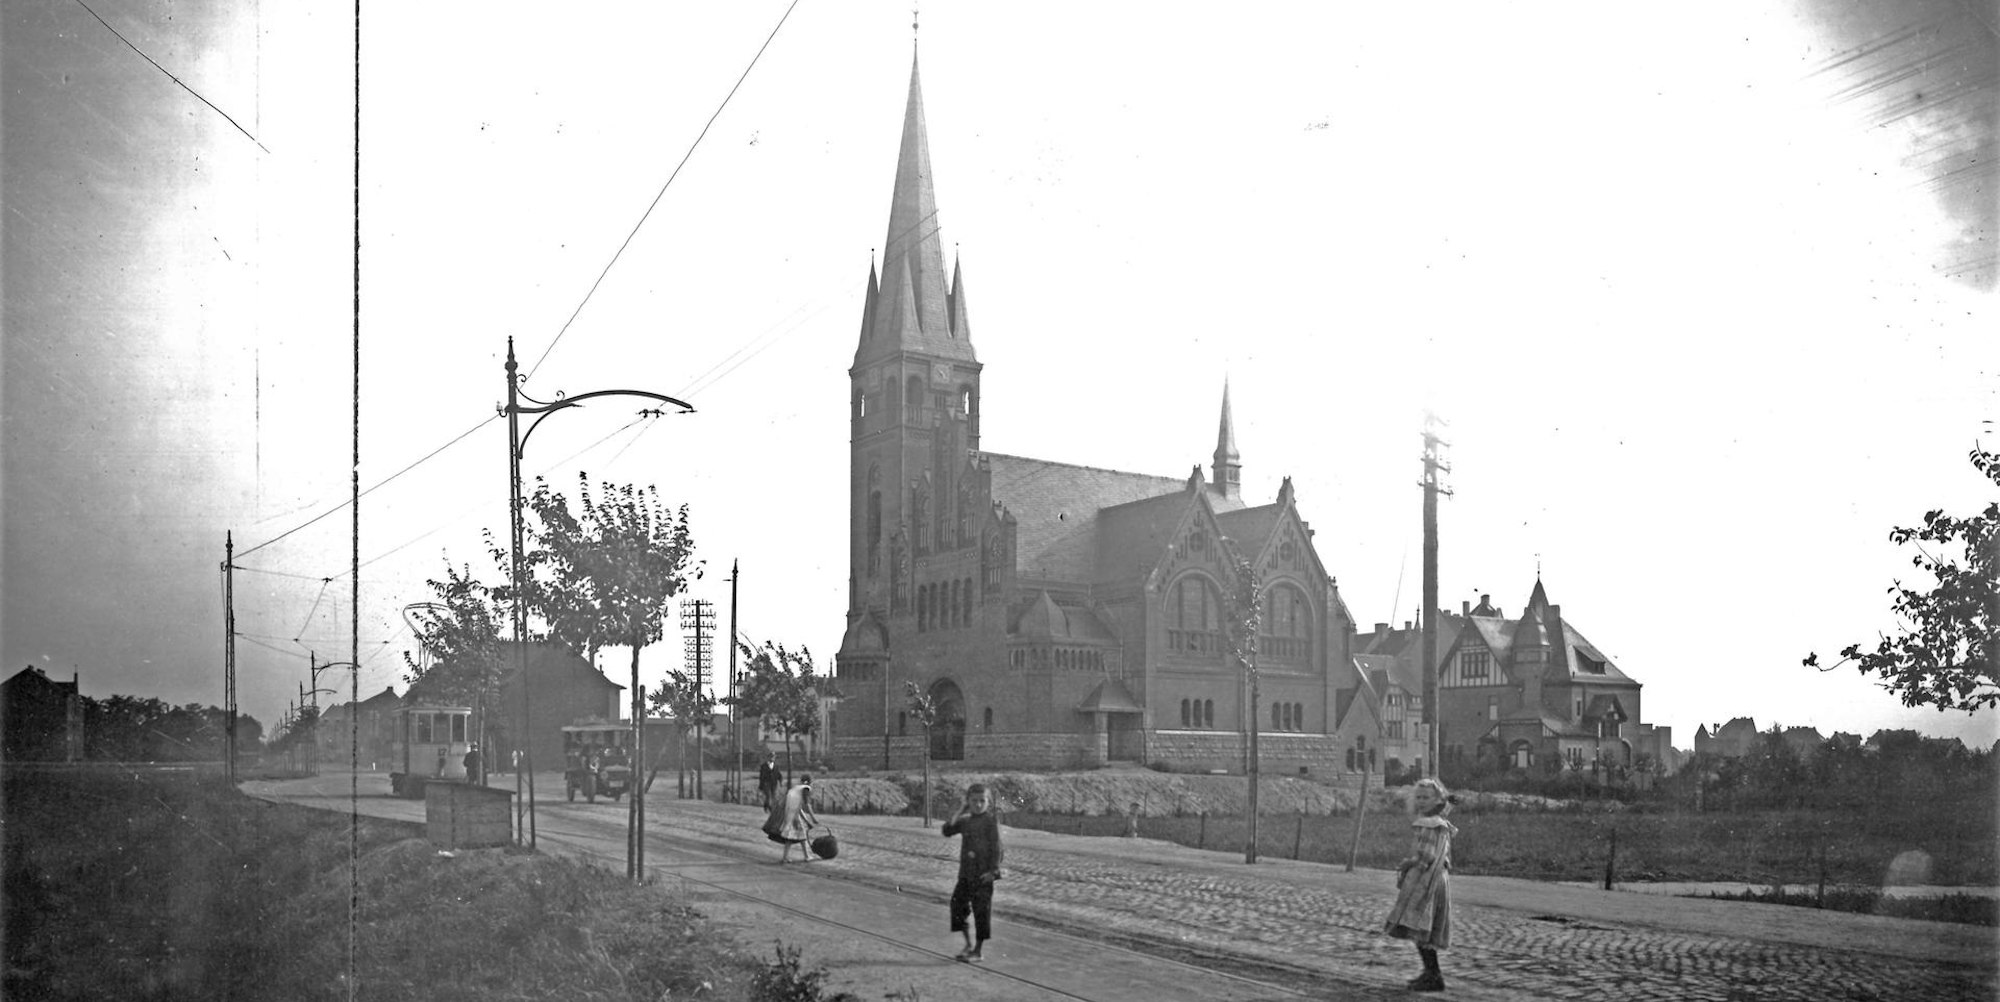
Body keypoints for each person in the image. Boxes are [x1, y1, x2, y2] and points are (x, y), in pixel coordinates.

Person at [1382, 777, 1458, 992]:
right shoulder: (1438, 820)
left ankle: (1433, 975)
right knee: (1425, 927)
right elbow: (1444, 811)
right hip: (1438, 877)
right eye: (1419, 797)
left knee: (1418, 924)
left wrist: (1408, 865)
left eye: (1427, 798)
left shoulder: (1426, 824)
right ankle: (1431, 973)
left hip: (1425, 879)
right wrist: (1447, 801)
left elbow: (1425, 856)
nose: (1422, 801)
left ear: (1436, 799)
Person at [942, 782, 1003, 963]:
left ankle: (978, 950)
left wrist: (993, 871)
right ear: (968, 801)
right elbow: (947, 830)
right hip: (966, 874)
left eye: (982, 801)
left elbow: (997, 848)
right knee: (957, 906)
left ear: (988, 802)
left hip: (983, 876)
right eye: (974, 801)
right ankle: (968, 945)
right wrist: (961, 810)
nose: (978, 805)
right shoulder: (966, 821)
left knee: (981, 913)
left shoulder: (991, 821)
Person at [761, 775, 818, 864]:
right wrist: (813, 818)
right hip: (792, 813)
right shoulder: (805, 789)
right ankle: (805, 856)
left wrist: (807, 820)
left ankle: (788, 857)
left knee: (795, 836)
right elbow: (807, 805)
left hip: (788, 811)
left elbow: (797, 805)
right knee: (798, 835)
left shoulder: (796, 788)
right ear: (809, 782)